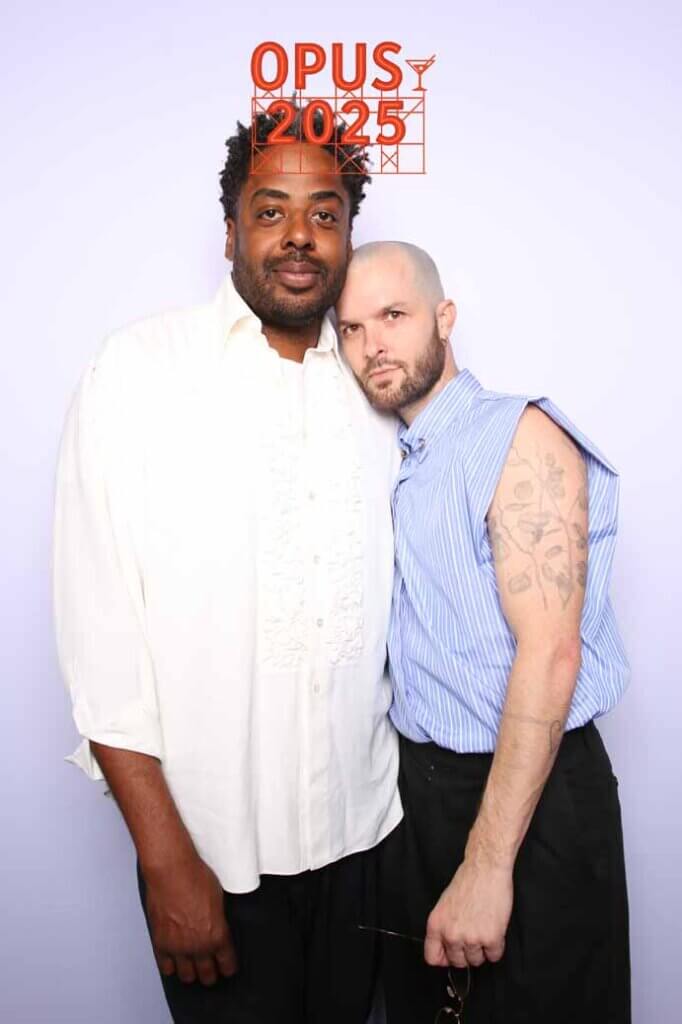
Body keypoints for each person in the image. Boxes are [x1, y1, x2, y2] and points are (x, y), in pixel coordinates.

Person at [52, 107, 403, 1024]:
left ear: (348, 236)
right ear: (230, 231)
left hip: (367, 844)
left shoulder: (377, 386)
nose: (299, 236)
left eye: (325, 214)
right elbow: (103, 641)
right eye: (270, 210)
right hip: (211, 859)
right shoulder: (139, 372)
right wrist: (165, 860)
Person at [336, 241, 631, 1024]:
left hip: (530, 797)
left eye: (393, 316)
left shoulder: (516, 436)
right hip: (420, 799)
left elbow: (552, 653)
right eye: (352, 329)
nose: (373, 346)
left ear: (444, 317)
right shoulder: (396, 457)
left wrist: (488, 865)